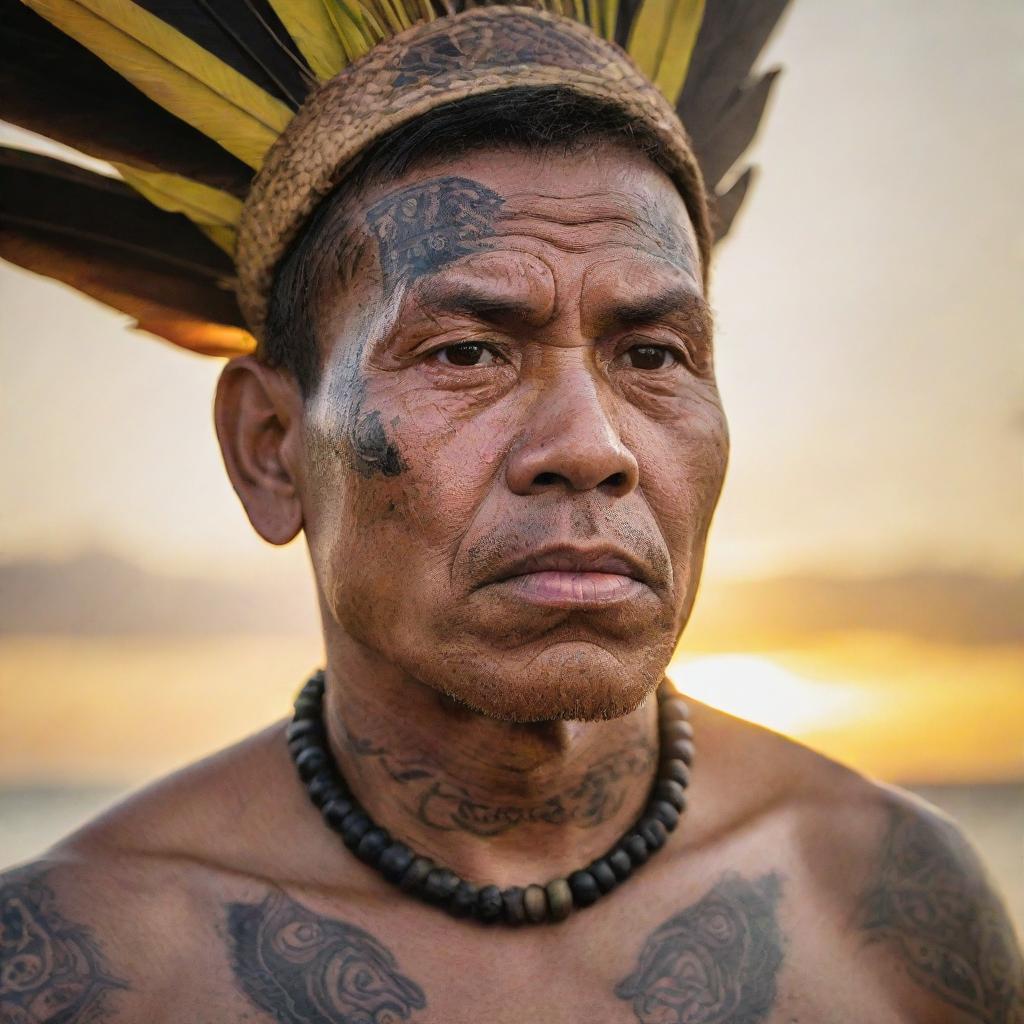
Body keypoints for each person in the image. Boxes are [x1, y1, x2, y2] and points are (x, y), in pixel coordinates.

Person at [1, 4, 1021, 1023]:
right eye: (464, 353)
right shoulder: (84, 968)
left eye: (654, 356)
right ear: (269, 448)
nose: (591, 446)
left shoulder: (891, 905)